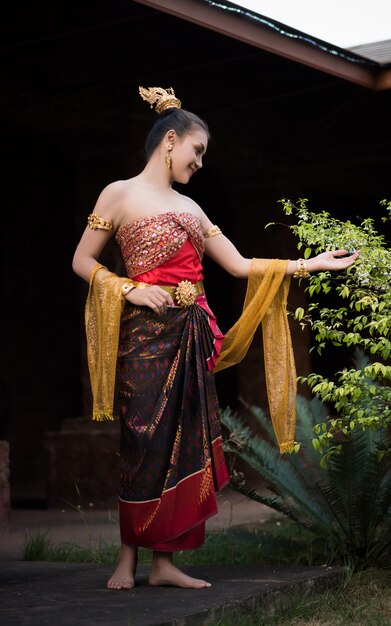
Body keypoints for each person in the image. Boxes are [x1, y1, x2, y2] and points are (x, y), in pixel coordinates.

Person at [72, 86, 359, 591]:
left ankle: (164, 564)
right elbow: (81, 261)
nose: (200, 162)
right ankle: (128, 558)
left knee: (186, 447)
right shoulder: (117, 194)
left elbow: (241, 264)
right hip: (142, 339)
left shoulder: (192, 208)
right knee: (141, 440)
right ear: (168, 139)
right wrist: (131, 289)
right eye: (196, 150)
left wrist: (309, 263)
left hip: (191, 336)